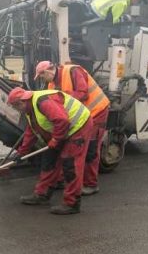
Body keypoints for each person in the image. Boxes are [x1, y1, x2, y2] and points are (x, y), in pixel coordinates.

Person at [7, 87, 93, 215]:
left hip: (78, 126)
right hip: (63, 130)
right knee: (49, 160)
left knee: (70, 165)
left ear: (21, 102)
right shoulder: (30, 109)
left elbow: (62, 120)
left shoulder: (43, 102)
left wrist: (56, 139)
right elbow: (31, 131)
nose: (16, 110)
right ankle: (42, 194)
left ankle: (72, 203)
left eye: (15, 107)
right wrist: (22, 152)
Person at [35, 61, 110, 195]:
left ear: (48, 71)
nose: (42, 79)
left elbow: (83, 94)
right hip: (81, 116)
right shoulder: (51, 85)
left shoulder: (72, 71)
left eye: (42, 76)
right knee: (68, 147)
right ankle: (64, 179)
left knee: (90, 149)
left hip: (96, 110)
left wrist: (61, 95)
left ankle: (91, 184)